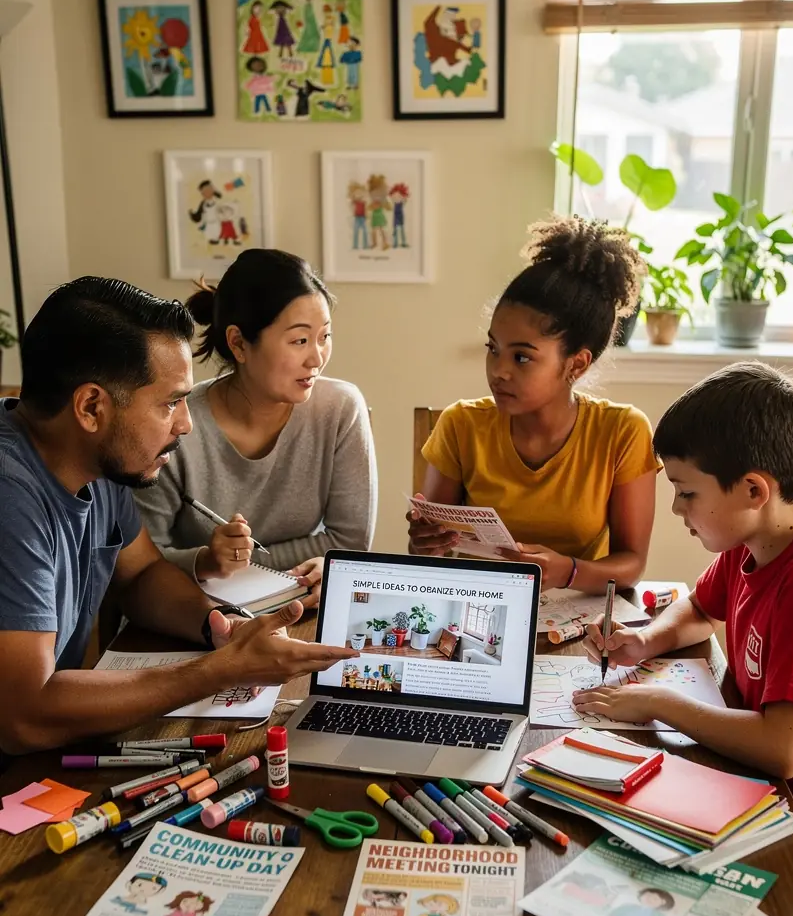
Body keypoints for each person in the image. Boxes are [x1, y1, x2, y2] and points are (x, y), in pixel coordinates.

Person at [563, 362, 793, 916]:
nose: (676, 510)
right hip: (751, 789)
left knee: (632, 891)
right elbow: (694, 612)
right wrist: (646, 644)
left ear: (754, 490)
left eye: (685, 492)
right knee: (605, 845)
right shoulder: (748, 549)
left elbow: (788, 747)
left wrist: (663, 706)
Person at [0, 276, 356, 754]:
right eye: (170, 402)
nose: (186, 423)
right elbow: (25, 716)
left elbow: (142, 572)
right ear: (90, 407)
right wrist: (223, 670)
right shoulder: (10, 494)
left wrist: (219, 624)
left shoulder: (95, 463)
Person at [408, 216, 659, 591]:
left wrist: (568, 572)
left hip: (577, 624)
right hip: (474, 605)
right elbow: (430, 557)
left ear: (576, 363)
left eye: (522, 357)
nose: (499, 371)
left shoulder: (622, 432)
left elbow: (631, 563)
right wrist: (424, 544)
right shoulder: (460, 425)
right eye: (493, 349)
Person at [137, 249, 376, 607]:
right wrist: (206, 561)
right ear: (238, 343)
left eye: (324, 337)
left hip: (297, 605)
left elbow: (350, 542)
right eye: (299, 340)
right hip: (189, 611)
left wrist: (240, 564)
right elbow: (140, 563)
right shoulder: (178, 423)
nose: (317, 358)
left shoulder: (341, 409)